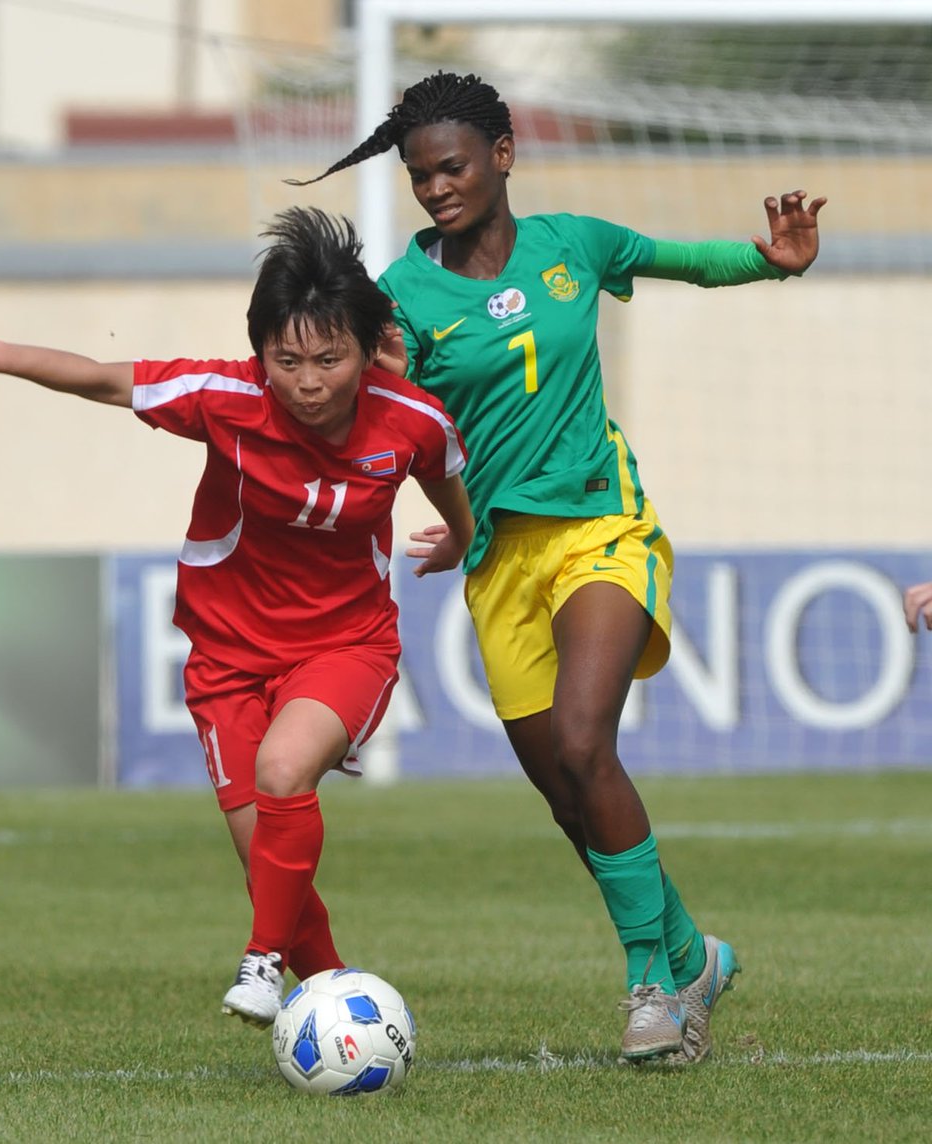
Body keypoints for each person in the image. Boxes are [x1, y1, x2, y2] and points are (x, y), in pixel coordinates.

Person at [287, 71, 826, 1064]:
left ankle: (651, 990)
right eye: (419, 175)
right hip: (499, 562)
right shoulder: (400, 296)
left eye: (451, 166)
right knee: (567, 796)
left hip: (600, 525)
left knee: (586, 741)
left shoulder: (574, 244)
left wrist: (774, 260)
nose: (436, 186)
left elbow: (687, 259)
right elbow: (392, 423)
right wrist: (450, 515)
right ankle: (689, 953)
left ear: (502, 154)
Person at [0, 207, 474, 1028]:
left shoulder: (411, 419)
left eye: (330, 358)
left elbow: (449, 482)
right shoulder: (226, 396)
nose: (309, 381)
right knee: (266, 860)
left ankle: (261, 964)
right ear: (260, 355)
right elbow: (105, 378)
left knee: (285, 773)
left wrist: (459, 540)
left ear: (365, 352)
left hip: (345, 644)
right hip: (228, 659)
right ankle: (341, 1012)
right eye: (287, 360)